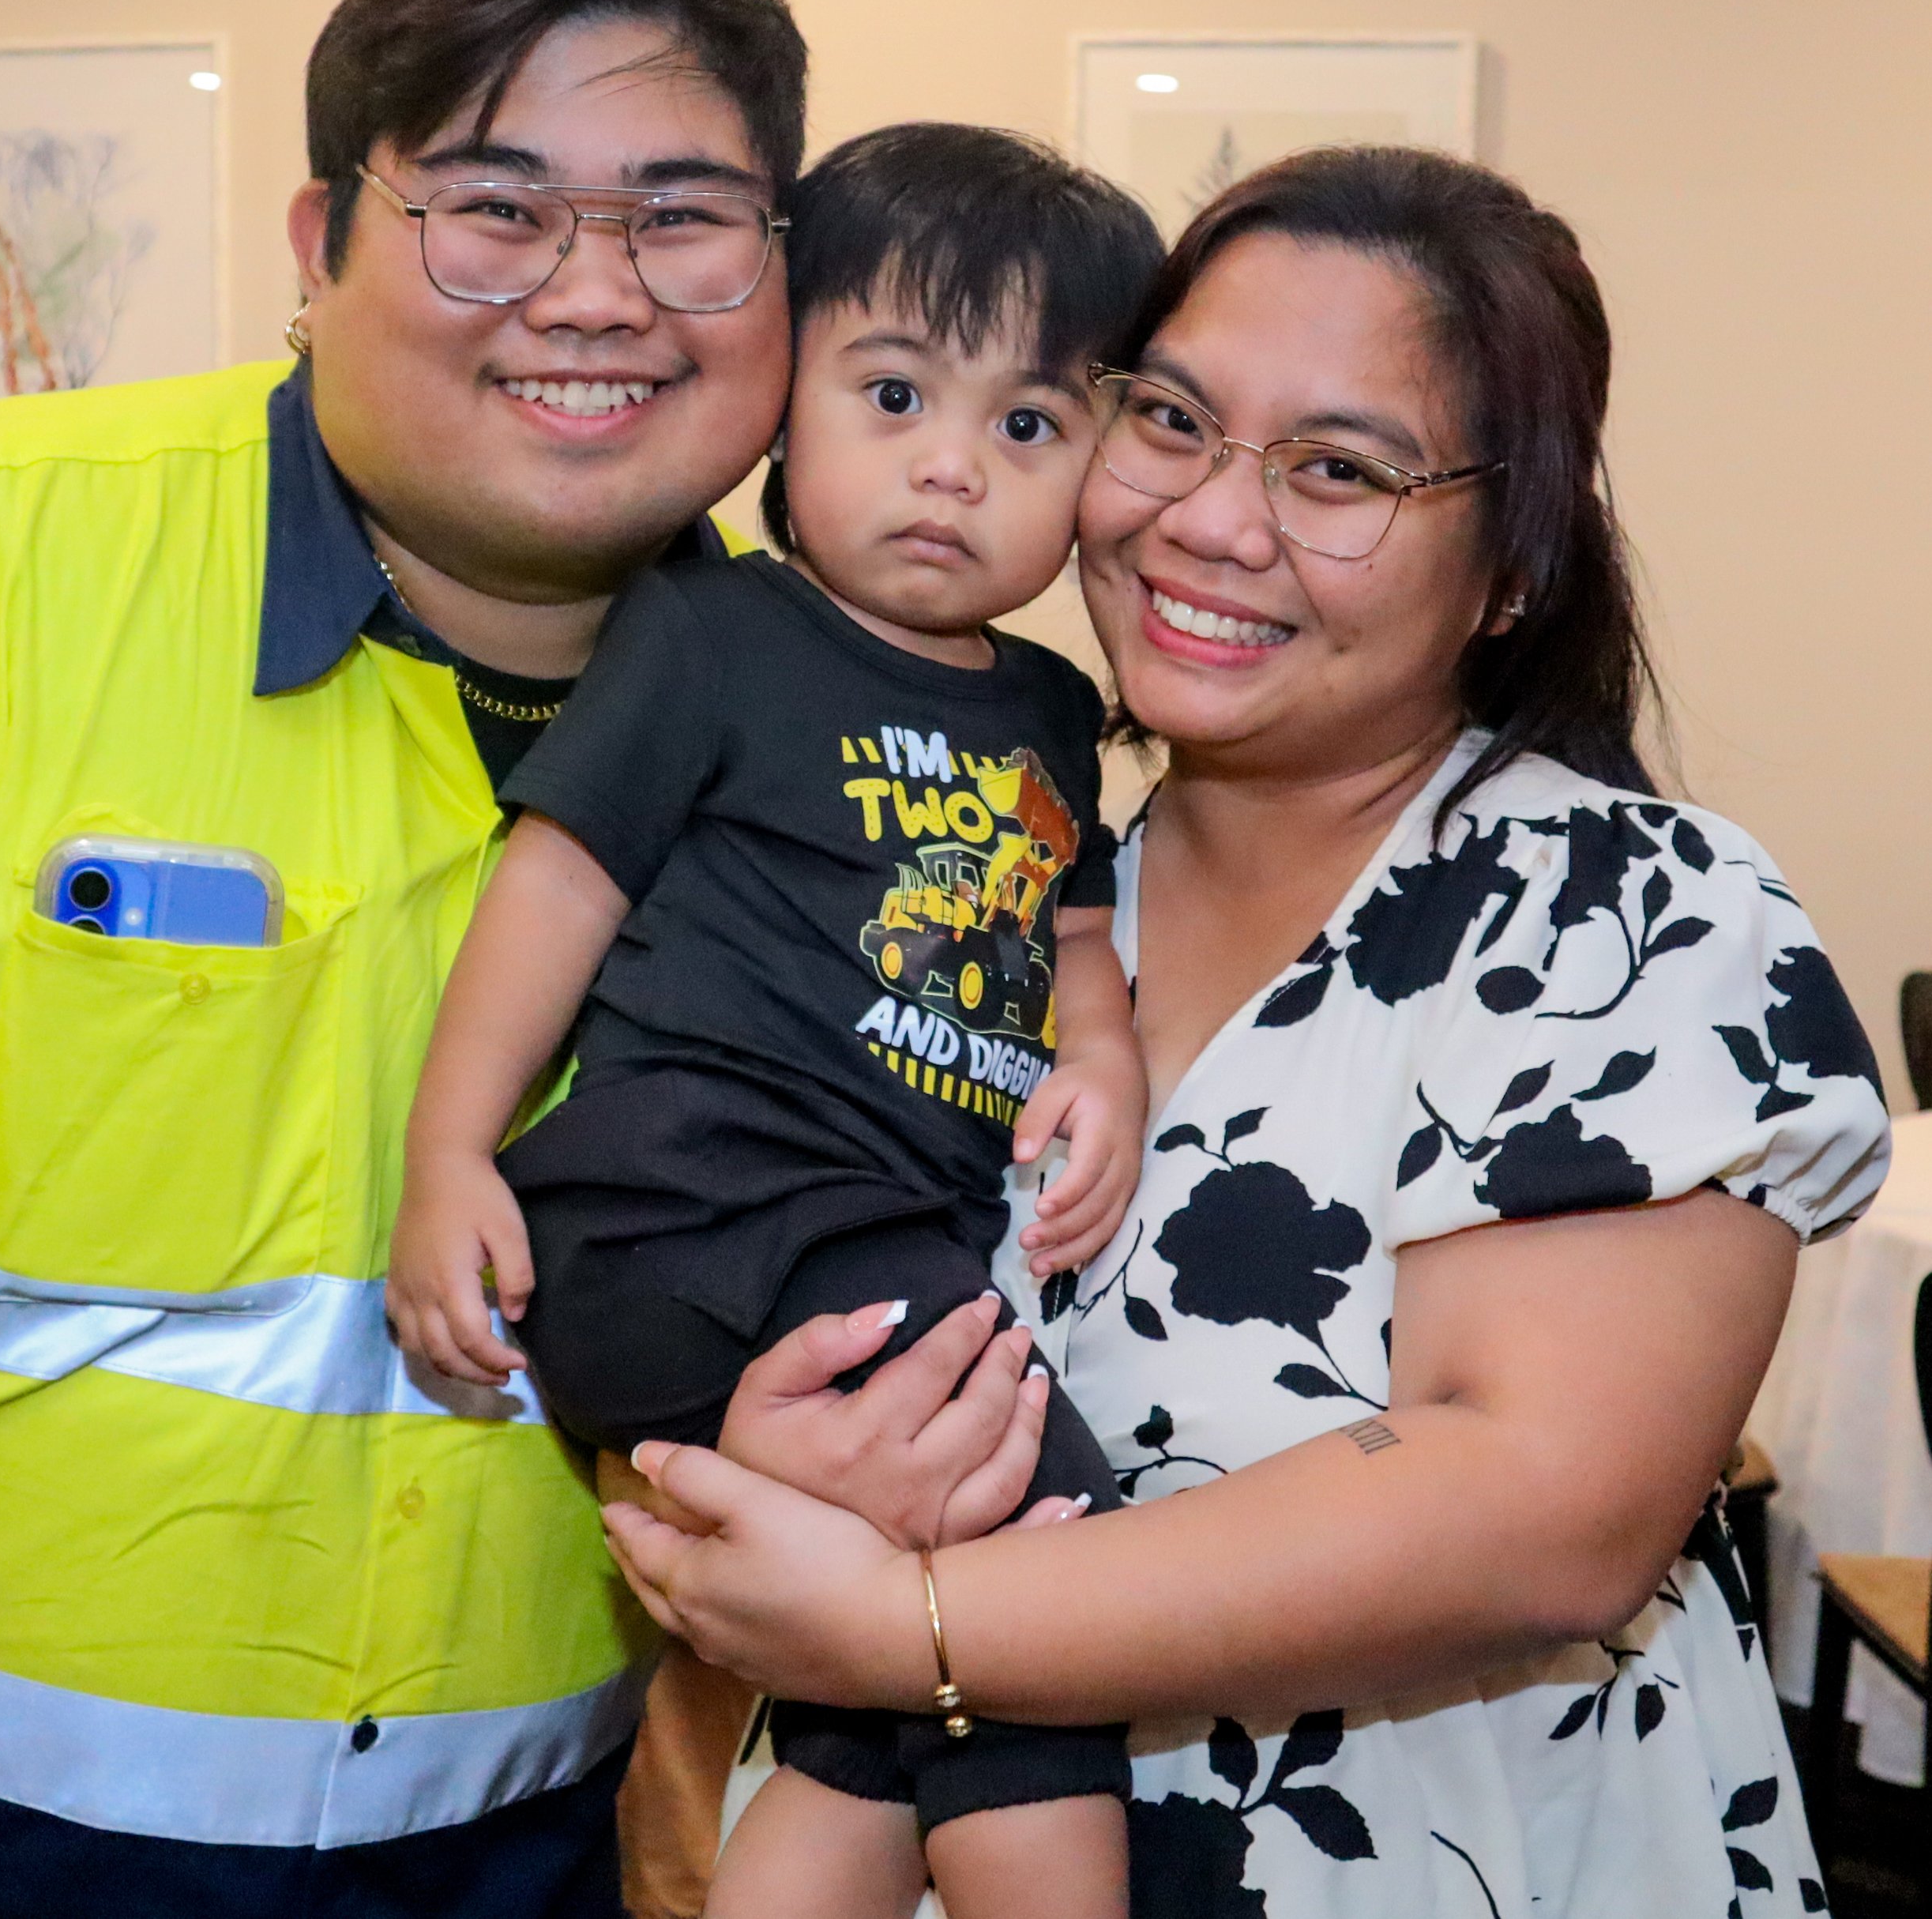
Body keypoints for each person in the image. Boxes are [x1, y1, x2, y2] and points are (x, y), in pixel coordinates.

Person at [600, 147, 1894, 1918]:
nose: (1210, 518)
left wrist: (908, 1621)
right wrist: (778, 1450)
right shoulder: (1002, 893)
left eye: (1338, 469)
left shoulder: (1615, 908)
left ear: (1509, 566)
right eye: (1170, 419)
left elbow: (1546, 1504)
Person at [0, 0, 805, 1918]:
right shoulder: (0, 560)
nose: (594, 293)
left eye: (682, 215)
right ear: (316, 246)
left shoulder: (848, 734)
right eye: (493, 206)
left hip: (543, 1838)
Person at [389, 126, 1164, 1919]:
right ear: (784, 398)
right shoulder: (711, 630)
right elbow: (555, 889)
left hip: (868, 1231)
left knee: (876, 1669)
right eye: (891, 394)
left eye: (1027, 428)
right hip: (697, 1200)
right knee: (1039, 1539)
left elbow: (1072, 925)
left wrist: (1098, 1053)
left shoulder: (1047, 704)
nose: (950, 470)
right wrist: (446, 1149)